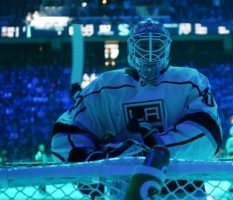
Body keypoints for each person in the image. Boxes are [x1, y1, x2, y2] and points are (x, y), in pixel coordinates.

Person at [51, 18, 222, 198]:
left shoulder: (189, 81)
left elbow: (208, 135)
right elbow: (66, 133)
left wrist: (144, 150)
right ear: (132, 48)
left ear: (167, 47)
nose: (149, 53)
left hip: (181, 190)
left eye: (155, 45)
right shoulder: (103, 87)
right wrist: (92, 160)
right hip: (126, 190)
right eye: (143, 45)